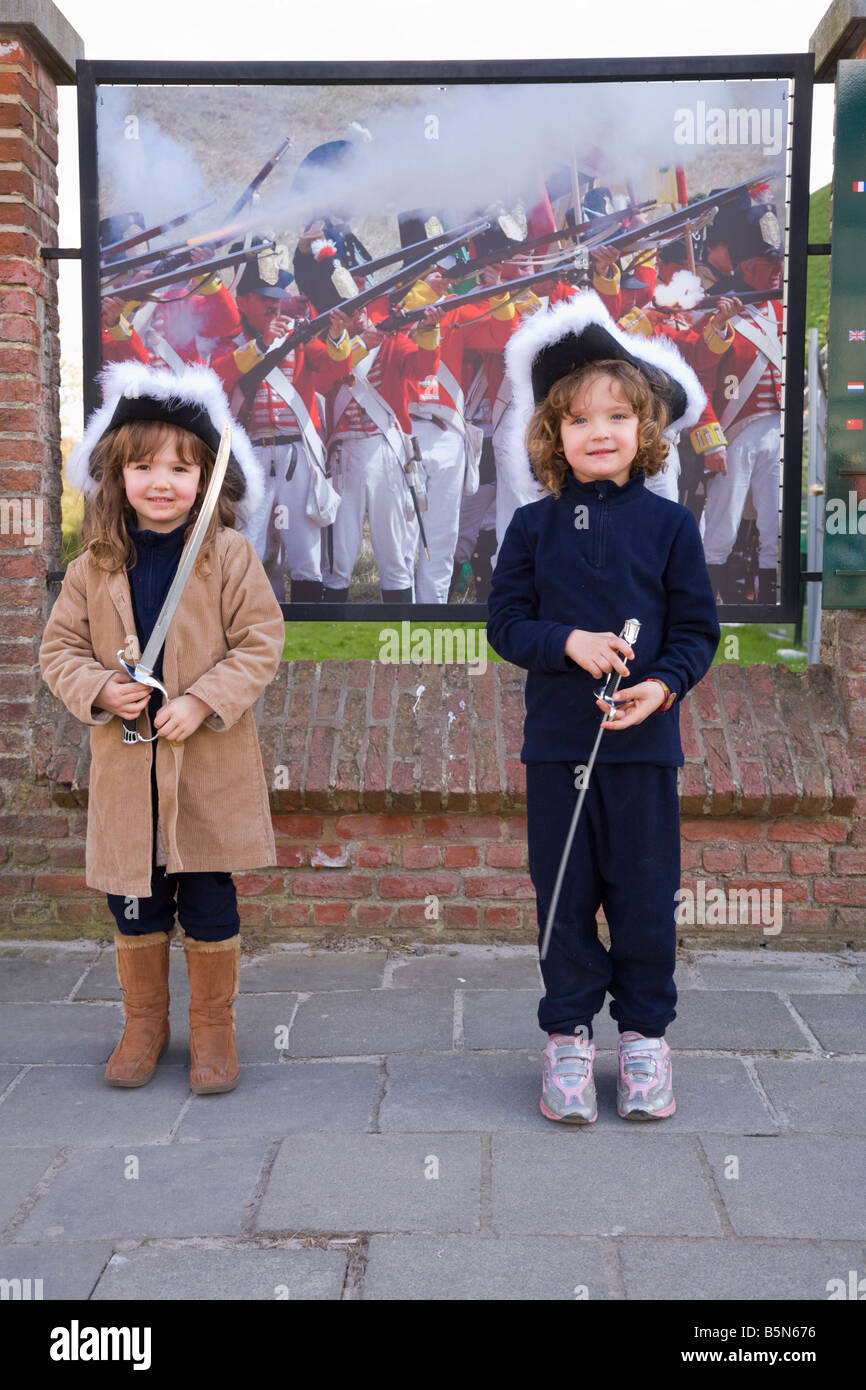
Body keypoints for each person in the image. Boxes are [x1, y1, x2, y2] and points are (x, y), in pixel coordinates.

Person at [487, 291, 720, 1122]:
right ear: (554, 437)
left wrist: (664, 684)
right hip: (559, 748)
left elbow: (697, 631)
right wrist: (568, 644)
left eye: (618, 416)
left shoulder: (670, 527)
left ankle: (647, 1042)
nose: (600, 432)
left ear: (643, 430)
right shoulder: (528, 528)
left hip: (646, 749)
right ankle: (567, 1042)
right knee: (563, 896)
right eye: (579, 420)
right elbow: (506, 625)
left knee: (646, 896)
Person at [39, 362, 285, 1096]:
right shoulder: (93, 567)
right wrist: (100, 689)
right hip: (126, 769)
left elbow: (260, 642)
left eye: (181, 468)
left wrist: (203, 700)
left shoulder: (227, 557)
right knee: (135, 901)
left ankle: (213, 1030)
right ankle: (144, 1023)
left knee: (209, 899)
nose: (161, 482)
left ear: (205, 479)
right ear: (117, 476)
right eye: (143, 466)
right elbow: (59, 651)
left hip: (205, 767)